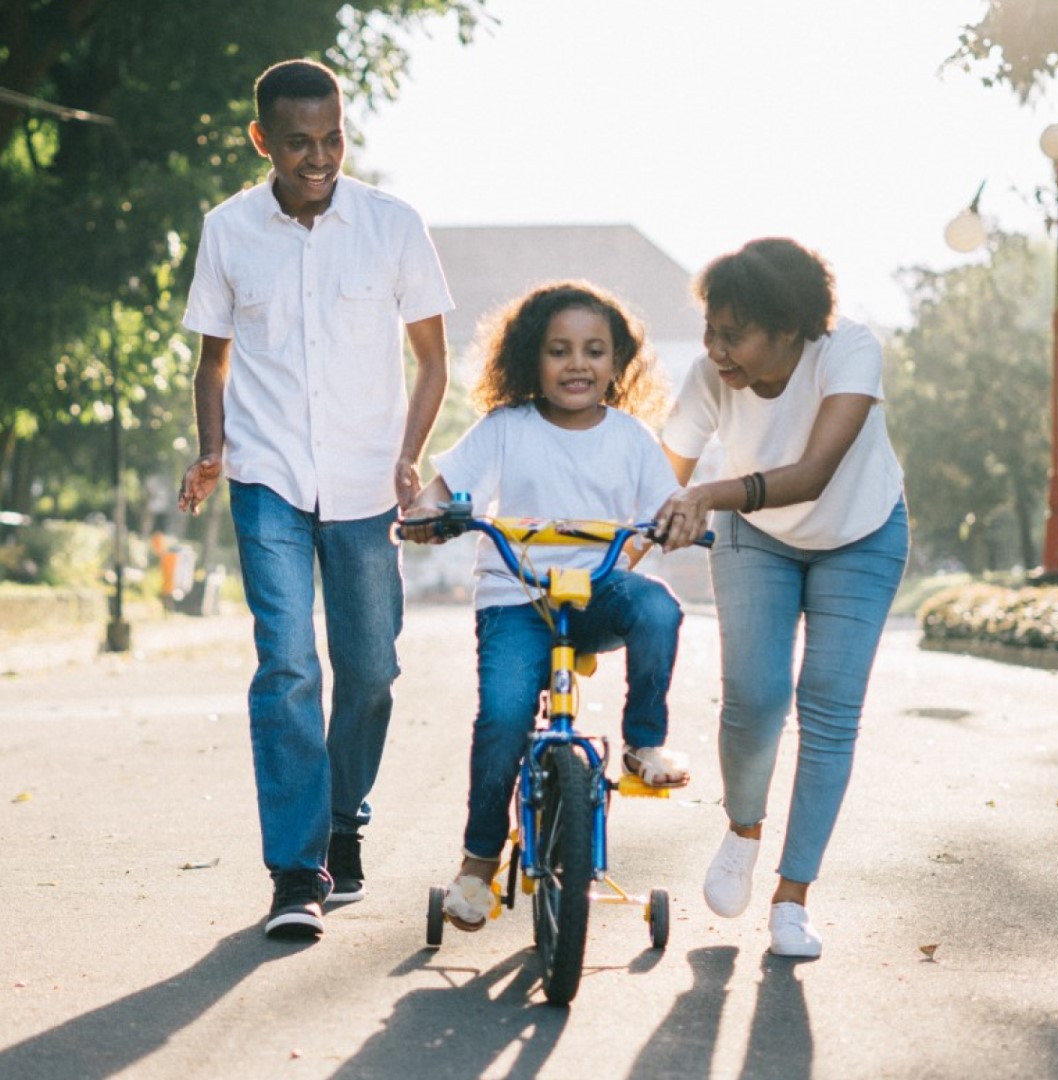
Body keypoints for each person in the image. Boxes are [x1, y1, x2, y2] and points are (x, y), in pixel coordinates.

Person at [177, 58, 453, 940]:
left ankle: (343, 822)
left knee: (371, 671)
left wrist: (411, 457)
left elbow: (433, 358)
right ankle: (296, 872)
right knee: (289, 665)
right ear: (263, 140)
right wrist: (213, 450)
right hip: (267, 480)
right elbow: (212, 359)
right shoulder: (228, 230)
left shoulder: (392, 224)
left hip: (369, 483)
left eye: (332, 138)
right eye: (298, 143)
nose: (320, 157)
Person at [402, 281, 690, 932]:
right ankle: (478, 865)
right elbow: (443, 489)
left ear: (618, 364)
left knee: (660, 610)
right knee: (504, 717)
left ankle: (644, 744)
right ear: (533, 358)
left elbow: (665, 508)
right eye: (559, 351)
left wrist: (675, 523)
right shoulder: (506, 428)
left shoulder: (632, 438)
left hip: (595, 593)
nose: (577, 364)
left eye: (594, 351)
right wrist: (427, 513)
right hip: (516, 598)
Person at [655, 237, 908, 959]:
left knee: (829, 705)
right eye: (710, 329)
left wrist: (706, 493)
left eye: (733, 334)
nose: (715, 349)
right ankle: (742, 830)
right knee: (756, 696)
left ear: (790, 329)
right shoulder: (710, 377)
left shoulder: (848, 352)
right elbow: (657, 480)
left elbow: (815, 472)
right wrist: (615, 552)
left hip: (860, 532)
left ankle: (793, 898)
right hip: (756, 538)